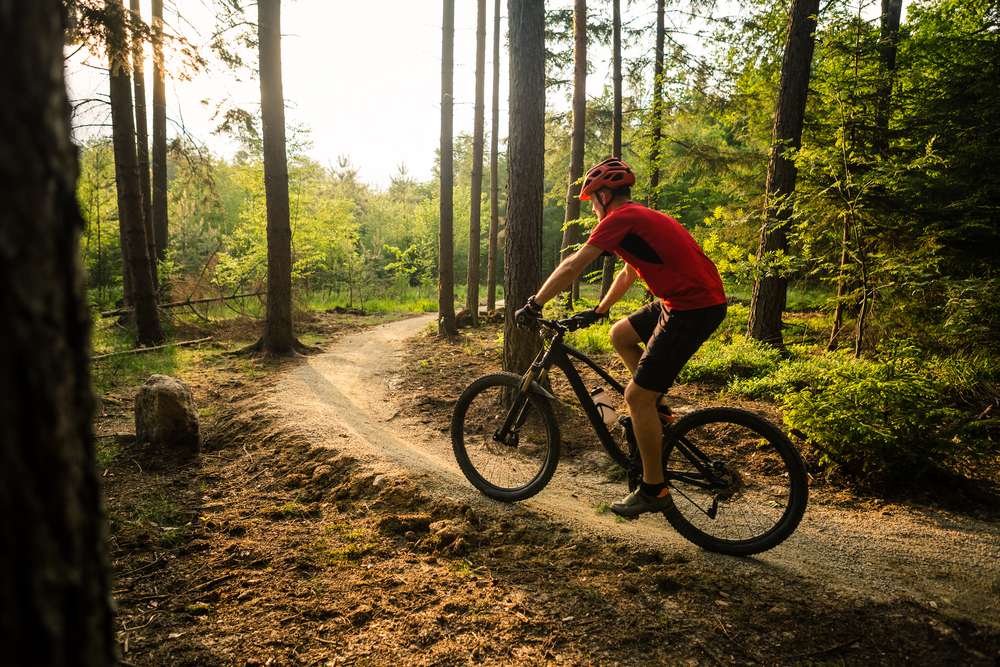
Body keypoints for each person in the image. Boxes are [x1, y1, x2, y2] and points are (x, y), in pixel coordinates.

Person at [514, 157, 727, 518]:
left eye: (593, 199)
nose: (593, 208)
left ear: (605, 195)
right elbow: (630, 272)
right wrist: (601, 309)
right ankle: (656, 408)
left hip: (693, 308)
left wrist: (535, 303)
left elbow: (572, 265)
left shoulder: (622, 218)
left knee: (635, 397)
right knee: (620, 334)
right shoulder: (640, 219)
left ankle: (653, 488)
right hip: (683, 301)